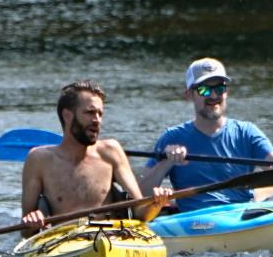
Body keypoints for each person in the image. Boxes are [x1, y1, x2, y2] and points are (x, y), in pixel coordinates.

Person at [137, 57, 273, 212]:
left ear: (227, 92)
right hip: (195, 220)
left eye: (219, 88)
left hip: (241, 214)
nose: (213, 96)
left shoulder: (247, 132)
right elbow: (140, 193)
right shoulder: (172, 138)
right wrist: (166, 162)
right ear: (189, 95)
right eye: (204, 89)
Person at [21, 81, 171, 236]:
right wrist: (32, 221)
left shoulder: (111, 151)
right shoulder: (39, 160)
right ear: (67, 116)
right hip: (63, 242)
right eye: (90, 113)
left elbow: (140, 212)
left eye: (100, 114)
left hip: (110, 238)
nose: (97, 120)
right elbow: (26, 233)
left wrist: (156, 204)